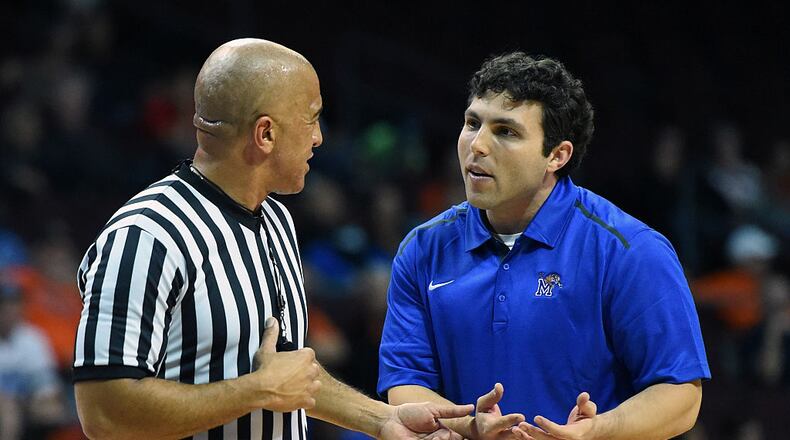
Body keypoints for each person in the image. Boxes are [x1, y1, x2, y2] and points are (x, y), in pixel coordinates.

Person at [72, 38, 473, 440]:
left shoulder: (276, 219)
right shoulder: (147, 235)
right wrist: (254, 391)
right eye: (312, 118)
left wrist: (381, 419)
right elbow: (104, 411)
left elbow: (288, 376)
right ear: (265, 134)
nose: (319, 137)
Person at [378, 52, 711, 440]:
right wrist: (467, 426)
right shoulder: (422, 249)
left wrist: (600, 430)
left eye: (506, 131)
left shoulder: (630, 250)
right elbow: (405, 383)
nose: (477, 145)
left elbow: (681, 395)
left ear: (557, 155)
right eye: (472, 123)